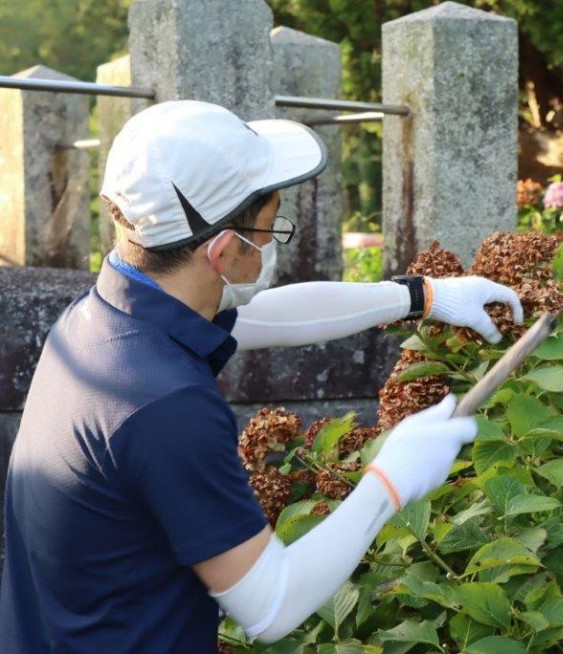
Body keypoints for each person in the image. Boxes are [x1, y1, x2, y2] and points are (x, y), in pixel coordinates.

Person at [0, 100, 524, 651]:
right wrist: (393, 479)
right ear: (224, 251)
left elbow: (267, 315)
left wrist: (423, 295)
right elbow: (270, 604)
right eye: (272, 227)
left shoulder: (100, 323)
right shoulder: (165, 404)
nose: (273, 242)